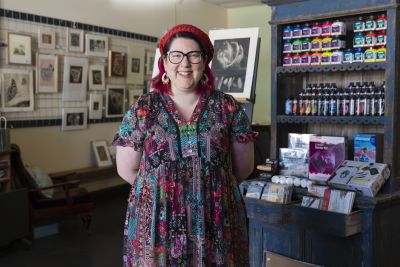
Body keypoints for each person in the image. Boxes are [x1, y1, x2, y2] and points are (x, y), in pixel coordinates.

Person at [113, 24, 257, 267]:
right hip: (157, 222)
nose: (185, 64)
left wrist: (207, 189)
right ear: (165, 63)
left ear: (205, 62)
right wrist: (166, 192)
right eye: (176, 55)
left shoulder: (227, 107)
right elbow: (127, 169)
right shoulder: (144, 108)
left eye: (194, 55)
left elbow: (242, 168)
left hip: (216, 218)